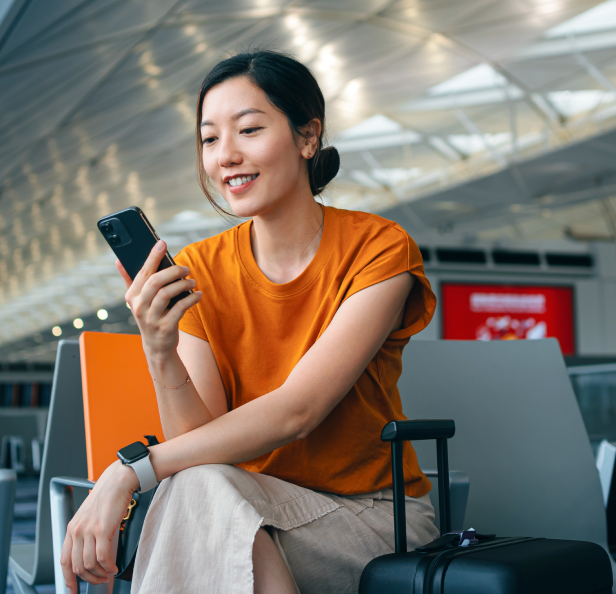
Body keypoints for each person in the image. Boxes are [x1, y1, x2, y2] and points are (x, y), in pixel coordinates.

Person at [61, 50, 438, 594]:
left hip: (372, 516)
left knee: (196, 498)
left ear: (308, 138)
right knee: (199, 491)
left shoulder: (378, 249)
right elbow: (200, 443)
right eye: (210, 139)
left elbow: (298, 412)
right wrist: (159, 347)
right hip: (240, 502)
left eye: (249, 130)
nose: (226, 156)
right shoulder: (202, 271)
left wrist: (130, 471)